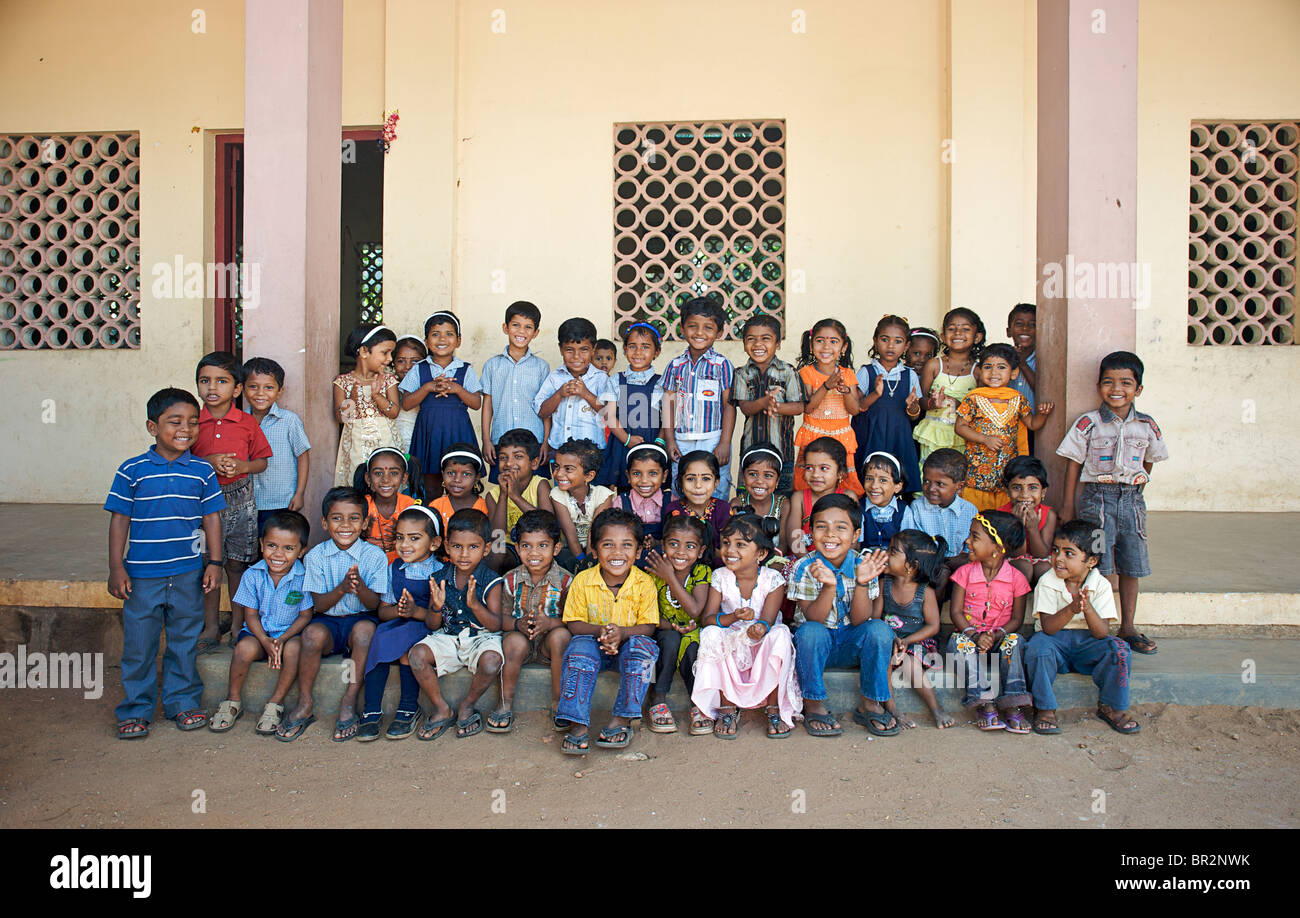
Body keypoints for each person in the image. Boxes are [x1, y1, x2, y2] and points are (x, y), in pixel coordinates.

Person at [106, 388, 225, 739]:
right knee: (139, 646)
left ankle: (182, 702)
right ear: (152, 427)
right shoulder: (132, 470)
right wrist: (117, 567)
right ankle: (136, 710)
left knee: (184, 640)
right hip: (142, 577)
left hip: (188, 574)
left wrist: (214, 563)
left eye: (193, 422)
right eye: (175, 422)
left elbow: (213, 520)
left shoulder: (202, 471)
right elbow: (119, 521)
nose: (185, 429)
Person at [1056, 351, 1169, 656]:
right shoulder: (1088, 423)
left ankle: (1128, 626)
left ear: (1138, 389)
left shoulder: (1147, 425)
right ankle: (1101, 625)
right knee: (1099, 563)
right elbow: (1073, 465)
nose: (1116, 389)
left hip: (1132, 502)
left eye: (1126, 383)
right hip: (1097, 501)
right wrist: (1068, 505)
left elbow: (1150, 459)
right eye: (1108, 382)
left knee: (1132, 563)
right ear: (1098, 386)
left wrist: (1138, 483)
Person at [276, 487, 388, 742]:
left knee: (364, 632)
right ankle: (305, 703)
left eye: (354, 518)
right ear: (325, 523)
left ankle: (349, 699)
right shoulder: (315, 556)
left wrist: (359, 587)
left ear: (365, 522)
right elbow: (320, 606)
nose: (345, 525)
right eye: (337, 518)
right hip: (328, 621)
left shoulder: (375, 556)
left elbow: (375, 604)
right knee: (312, 635)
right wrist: (342, 589)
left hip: (361, 618)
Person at [786, 494, 892, 737]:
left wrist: (863, 583)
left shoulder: (863, 565)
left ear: (855, 535)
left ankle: (870, 703)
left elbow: (860, 621)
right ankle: (813, 704)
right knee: (809, 632)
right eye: (821, 527)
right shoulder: (805, 567)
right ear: (810, 532)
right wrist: (830, 586)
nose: (830, 535)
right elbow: (814, 619)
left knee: (879, 629)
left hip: (849, 643)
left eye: (841, 528)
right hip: (816, 647)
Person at [555, 509, 660, 755]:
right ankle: (577, 723)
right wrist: (601, 631)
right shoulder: (582, 580)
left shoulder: (644, 583)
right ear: (594, 549)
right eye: (608, 545)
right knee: (578, 648)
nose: (617, 553)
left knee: (645, 649)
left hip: (627, 647)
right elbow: (574, 623)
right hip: (593, 644)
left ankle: (621, 719)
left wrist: (622, 633)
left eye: (626, 545)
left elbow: (649, 626)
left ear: (638, 551)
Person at [1025, 519, 1139, 735]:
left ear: (1091, 561)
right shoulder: (1047, 581)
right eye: (1056, 550)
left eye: (1069, 553)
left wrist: (1086, 609)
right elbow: (1048, 627)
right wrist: (1072, 608)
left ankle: (1111, 707)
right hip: (1054, 641)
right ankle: (1044, 709)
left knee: (1120, 649)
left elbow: (1101, 632)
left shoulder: (1101, 585)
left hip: (1088, 641)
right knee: (1037, 649)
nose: (1058, 558)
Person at [694, 514, 801, 739]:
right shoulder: (719, 577)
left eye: (740, 545)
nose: (730, 550)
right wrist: (732, 617)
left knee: (781, 634)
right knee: (712, 634)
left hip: (761, 641)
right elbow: (708, 619)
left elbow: (769, 620)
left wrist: (760, 627)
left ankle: (773, 706)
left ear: (760, 554)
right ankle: (727, 705)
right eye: (726, 543)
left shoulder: (773, 579)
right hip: (732, 640)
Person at [193, 351, 272, 652]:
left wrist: (242, 467)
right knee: (209, 565)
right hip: (203, 502)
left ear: (237, 389)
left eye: (222, 381)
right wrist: (208, 461)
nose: (212, 388)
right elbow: (182, 457)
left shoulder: (247, 423)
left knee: (237, 565)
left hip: (241, 500)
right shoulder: (192, 421)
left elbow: (262, 461)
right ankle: (211, 626)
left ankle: (238, 625)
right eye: (205, 381)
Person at [211, 511, 314, 735]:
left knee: (295, 650)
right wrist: (266, 641)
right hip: (258, 633)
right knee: (243, 649)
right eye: (272, 545)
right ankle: (233, 700)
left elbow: (305, 616)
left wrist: (282, 640)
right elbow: (251, 615)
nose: (278, 554)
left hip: (289, 635)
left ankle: (274, 704)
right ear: (261, 545)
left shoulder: (304, 577)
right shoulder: (252, 575)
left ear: (301, 551)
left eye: (288, 548)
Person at [408, 508, 506, 740]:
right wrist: (436, 606)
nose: (464, 554)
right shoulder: (440, 577)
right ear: (447, 546)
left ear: (486, 549)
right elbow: (433, 625)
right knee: (417, 655)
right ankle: (442, 708)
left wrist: (475, 606)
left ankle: (467, 704)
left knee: (492, 661)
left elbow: (494, 624)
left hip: (481, 636)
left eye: (473, 547)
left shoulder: (491, 580)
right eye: (457, 547)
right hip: (449, 636)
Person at [357, 505, 444, 741]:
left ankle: (408, 707)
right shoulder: (393, 568)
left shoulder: (442, 571)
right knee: (379, 641)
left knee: (408, 650)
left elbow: (442, 617)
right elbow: (382, 612)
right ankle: (371, 708)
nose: (405, 545)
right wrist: (399, 610)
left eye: (414, 538)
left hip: (426, 626)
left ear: (434, 543)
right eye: (400, 538)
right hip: (397, 623)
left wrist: (415, 611)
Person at [946, 511, 1033, 733]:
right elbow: (955, 612)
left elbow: (1016, 620)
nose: (968, 541)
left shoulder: (1016, 578)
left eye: (975, 537)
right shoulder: (964, 573)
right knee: (958, 643)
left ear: (997, 547)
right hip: (970, 637)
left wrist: (994, 636)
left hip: (997, 639)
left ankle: (1013, 703)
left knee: (1015, 641)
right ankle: (984, 701)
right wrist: (975, 636)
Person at [493, 510, 574, 733]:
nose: (534, 553)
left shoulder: (567, 581)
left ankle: (559, 703)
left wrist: (549, 623)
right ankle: (505, 703)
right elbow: (498, 618)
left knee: (561, 636)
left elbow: (574, 621)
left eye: (542, 545)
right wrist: (516, 625)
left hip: (550, 648)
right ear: (517, 548)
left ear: (556, 548)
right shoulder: (510, 580)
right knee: (513, 642)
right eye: (526, 546)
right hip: (522, 645)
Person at [954, 343, 1054, 511]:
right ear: (980, 371)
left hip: (1006, 472)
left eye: (1001, 367)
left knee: (1003, 515)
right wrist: (985, 439)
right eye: (988, 367)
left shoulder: (1017, 399)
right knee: (976, 515)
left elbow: (1032, 424)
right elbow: (960, 427)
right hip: (977, 473)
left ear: (1014, 373)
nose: (994, 373)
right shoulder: (973, 398)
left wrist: (1043, 415)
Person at [874, 529, 953, 729]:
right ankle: (892, 709)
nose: (885, 554)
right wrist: (891, 640)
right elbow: (874, 619)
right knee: (883, 660)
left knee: (910, 663)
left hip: (916, 642)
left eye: (892, 552)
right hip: (889, 641)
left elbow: (934, 625)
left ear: (910, 566)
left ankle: (936, 709)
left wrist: (907, 641)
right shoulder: (883, 584)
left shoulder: (925, 591)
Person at [398, 311, 483, 499]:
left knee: (460, 479)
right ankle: (433, 521)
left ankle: (458, 521)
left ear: (458, 341)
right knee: (430, 484)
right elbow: (406, 403)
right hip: (429, 431)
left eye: (449, 334)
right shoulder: (419, 369)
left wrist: (457, 389)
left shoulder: (465, 369)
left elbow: (476, 403)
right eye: (435, 334)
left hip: (457, 431)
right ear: (427, 342)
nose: (442, 339)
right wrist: (428, 387)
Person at [660, 297, 736, 499]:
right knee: (682, 487)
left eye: (708, 328)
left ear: (719, 333)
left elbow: (729, 405)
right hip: (681, 439)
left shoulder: (722, 365)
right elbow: (668, 405)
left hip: (713, 439)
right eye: (693, 326)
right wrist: (670, 440)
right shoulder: (675, 366)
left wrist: (724, 442)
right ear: (682, 329)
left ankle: (715, 529)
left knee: (715, 488)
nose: (700, 333)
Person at [643, 514, 712, 734]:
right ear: (662, 545)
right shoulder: (653, 575)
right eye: (673, 544)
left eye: (690, 546)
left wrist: (670, 577)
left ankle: (697, 702)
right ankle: (658, 699)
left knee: (693, 646)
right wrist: (670, 626)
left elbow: (694, 610)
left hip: (694, 631)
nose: (681, 552)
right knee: (671, 640)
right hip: (664, 629)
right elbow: (649, 615)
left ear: (700, 552)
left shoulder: (702, 572)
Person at [731, 314, 805, 496]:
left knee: (782, 500)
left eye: (766, 339)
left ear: (778, 344)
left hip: (783, 453)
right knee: (747, 500)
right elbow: (745, 407)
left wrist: (776, 407)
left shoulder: (788, 372)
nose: (758, 344)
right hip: (750, 452)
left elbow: (799, 406)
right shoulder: (741, 374)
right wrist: (763, 403)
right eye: (751, 339)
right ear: (743, 344)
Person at [533, 317, 622, 462]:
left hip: (593, 452)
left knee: (592, 485)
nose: (576, 356)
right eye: (569, 350)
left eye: (584, 350)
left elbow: (608, 414)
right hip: (559, 450)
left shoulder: (601, 379)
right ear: (560, 349)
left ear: (593, 349)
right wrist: (559, 394)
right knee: (562, 484)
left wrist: (586, 394)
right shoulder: (554, 378)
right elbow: (542, 411)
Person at [852, 315, 923, 494]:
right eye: (885, 340)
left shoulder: (910, 375)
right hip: (870, 434)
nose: (891, 346)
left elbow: (914, 415)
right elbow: (857, 406)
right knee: (867, 476)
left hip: (899, 435)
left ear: (906, 346)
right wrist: (876, 394)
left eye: (898, 341)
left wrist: (912, 406)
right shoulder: (866, 372)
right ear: (875, 341)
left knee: (899, 478)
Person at [793, 318, 864, 496]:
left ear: (844, 347)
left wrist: (846, 392)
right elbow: (808, 408)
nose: (826, 347)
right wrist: (826, 387)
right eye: (820, 341)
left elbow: (854, 410)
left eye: (833, 342)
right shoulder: (806, 373)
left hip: (841, 437)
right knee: (811, 480)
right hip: (814, 435)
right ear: (811, 344)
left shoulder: (847, 374)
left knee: (842, 483)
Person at [479, 301, 550, 476]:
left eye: (528, 327)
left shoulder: (541, 367)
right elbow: (487, 404)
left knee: (535, 491)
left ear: (536, 333)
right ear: (505, 327)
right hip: (500, 441)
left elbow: (547, 408)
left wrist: (546, 442)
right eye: (515, 325)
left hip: (535, 441)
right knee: (503, 489)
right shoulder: (492, 365)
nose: (521, 331)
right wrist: (486, 439)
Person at [242, 356, 311, 533]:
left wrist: (299, 493)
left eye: (269, 388)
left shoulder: (289, 421)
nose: (260, 393)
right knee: (252, 550)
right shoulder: (239, 422)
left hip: (282, 500)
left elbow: (302, 456)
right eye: (253, 386)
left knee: (279, 543)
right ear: (242, 389)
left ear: (279, 391)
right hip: (247, 502)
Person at [899, 448, 979, 595]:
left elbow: (972, 549)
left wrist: (961, 558)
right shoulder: (917, 508)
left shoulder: (969, 510)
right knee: (941, 572)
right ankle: (932, 614)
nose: (931, 489)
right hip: (929, 565)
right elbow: (913, 545)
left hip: (959, 565)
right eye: (926, 481)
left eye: (940, 484)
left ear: (959, 486)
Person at [913, 307, 984, 463]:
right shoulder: (933, 365)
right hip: (933, 433)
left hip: (963, 435)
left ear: (977, 336)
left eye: (965, 329)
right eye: (952, 329)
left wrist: (961, 405)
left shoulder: (978, 371)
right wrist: (932, 403)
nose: (958, 333)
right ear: (943, 336)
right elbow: (921, 400)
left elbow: (981, 409)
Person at [333, 325, 401, 486]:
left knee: (387, 480)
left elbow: (394, 412)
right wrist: (352, 400)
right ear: (364, 352)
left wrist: (377, 396)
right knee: (357, 481)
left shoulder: (388, 380)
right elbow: (340, 418)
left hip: (385, 441)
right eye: (385, 352)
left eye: (391, 353)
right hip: (356, 445)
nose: (390, 358)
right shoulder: (342, 382)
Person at [597, 322, 663, 488]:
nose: (638, 352)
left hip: (652, 443)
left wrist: (660, 442)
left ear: (657, 352)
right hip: (622, 444)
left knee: (651, 486)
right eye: (632, 346)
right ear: (625, 349)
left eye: (645, 347)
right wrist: (627, 440)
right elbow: (610, 416)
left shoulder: (661, 383)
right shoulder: (615, 380)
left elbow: (668, 418)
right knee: (623, 486)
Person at [543, 437, 615, 569]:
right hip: (571, 549)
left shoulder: (603, 495)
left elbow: (593, 532)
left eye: (568, 469)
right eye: (557, 467)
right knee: (563, 558)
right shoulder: (557, 494)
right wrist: (582, 562)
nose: (558, 474)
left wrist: (589, 562)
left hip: (594, 547)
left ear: (589, 476)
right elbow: (570, 533)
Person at [485, 428, 547, 571]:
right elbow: (496, 535)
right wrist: (503, 495)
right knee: (496, 552)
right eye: (503, 458)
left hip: (539, 545)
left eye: (518, 457)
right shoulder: (492, 495)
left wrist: (515, 496)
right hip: (510, 548)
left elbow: (547, 523)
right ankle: (494, 590)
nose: (508, 463)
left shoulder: (540, 485)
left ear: (534, 463)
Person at [788, 437, 853, 558]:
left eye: (823, 468)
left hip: (839, 561)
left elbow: (853, 539)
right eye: (809, 468)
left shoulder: (848, 497)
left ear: (840, 472)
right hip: (804, 561)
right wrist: (809, 564)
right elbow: (794, 539)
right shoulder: (799, 498)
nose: (815, 474)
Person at [1000, 455, 1058, 585]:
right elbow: (1015, 554)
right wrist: (1018, 524)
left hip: (1038, 561)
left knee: (1044, 568)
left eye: (1032, 487)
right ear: (1007, 491)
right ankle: (1019, 604)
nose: (1024, 495)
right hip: (1013, 562)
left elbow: (1042, 554)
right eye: (1016, 487)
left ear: (1043, 492)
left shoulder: (1049, 515)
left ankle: (1043, 604)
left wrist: (1032, 529)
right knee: (1023, 565)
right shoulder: (1002, 515)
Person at [354, 447, 416, 562]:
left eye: (393, 473)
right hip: (366, 563)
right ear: (368, 478)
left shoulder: (410, 506)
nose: (386, 479)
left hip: (402, 564)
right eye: (378, 473)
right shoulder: (361, 506)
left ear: (404, 478)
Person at [665, 450, 732, 553]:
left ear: (716, 482)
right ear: (680, 482)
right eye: (690, 479)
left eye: (706, 479)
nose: (698, 485)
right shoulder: (674, 510)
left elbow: (728, 550)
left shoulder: (723, 509)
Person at [731, 443, 792, 554]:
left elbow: (783, 544)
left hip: (773, 561)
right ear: (743, 478)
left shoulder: (783, 505)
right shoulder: (737, 503)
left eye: (768, 475)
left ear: (777, 481)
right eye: (753, 474)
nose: (759, 481)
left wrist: (769, 562)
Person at [619, 441, 673, 555]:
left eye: (653, 473)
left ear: (664, 476)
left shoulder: (672, 502)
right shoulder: (619, 503)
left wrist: (658, 543)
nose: (644, 480)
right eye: (636, 474)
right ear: (628, 476)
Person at [428, 444, 493, 534]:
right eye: (450, 473)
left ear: (477, 477)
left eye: (466, 474)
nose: (457, 480)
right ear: (443, 474)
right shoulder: (436, 506)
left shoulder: (485, 507)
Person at [859, 451, 906, 552]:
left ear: (897, 486)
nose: (874, 486)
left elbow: (907, 547)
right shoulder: (859, 508)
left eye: (883, 480)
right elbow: (856, 545)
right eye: (869, 478)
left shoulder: (904, 511)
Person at [1006, 303, 1038, 451]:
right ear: (1008, 331)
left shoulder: (1043, 359)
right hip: (1005, 423)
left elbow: (1041, 389)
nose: (1025, 329)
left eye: (1032, 325)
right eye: (1019, 324)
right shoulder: (1002, 357)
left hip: (1032, 424)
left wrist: (1023, 364)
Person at [391, 335, 428, 453]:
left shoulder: (429, 387)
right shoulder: (388, 388)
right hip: (393, 444)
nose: (407, 367)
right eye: (401, 361)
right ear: (393, 363)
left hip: (421, 443)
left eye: (415, 361)